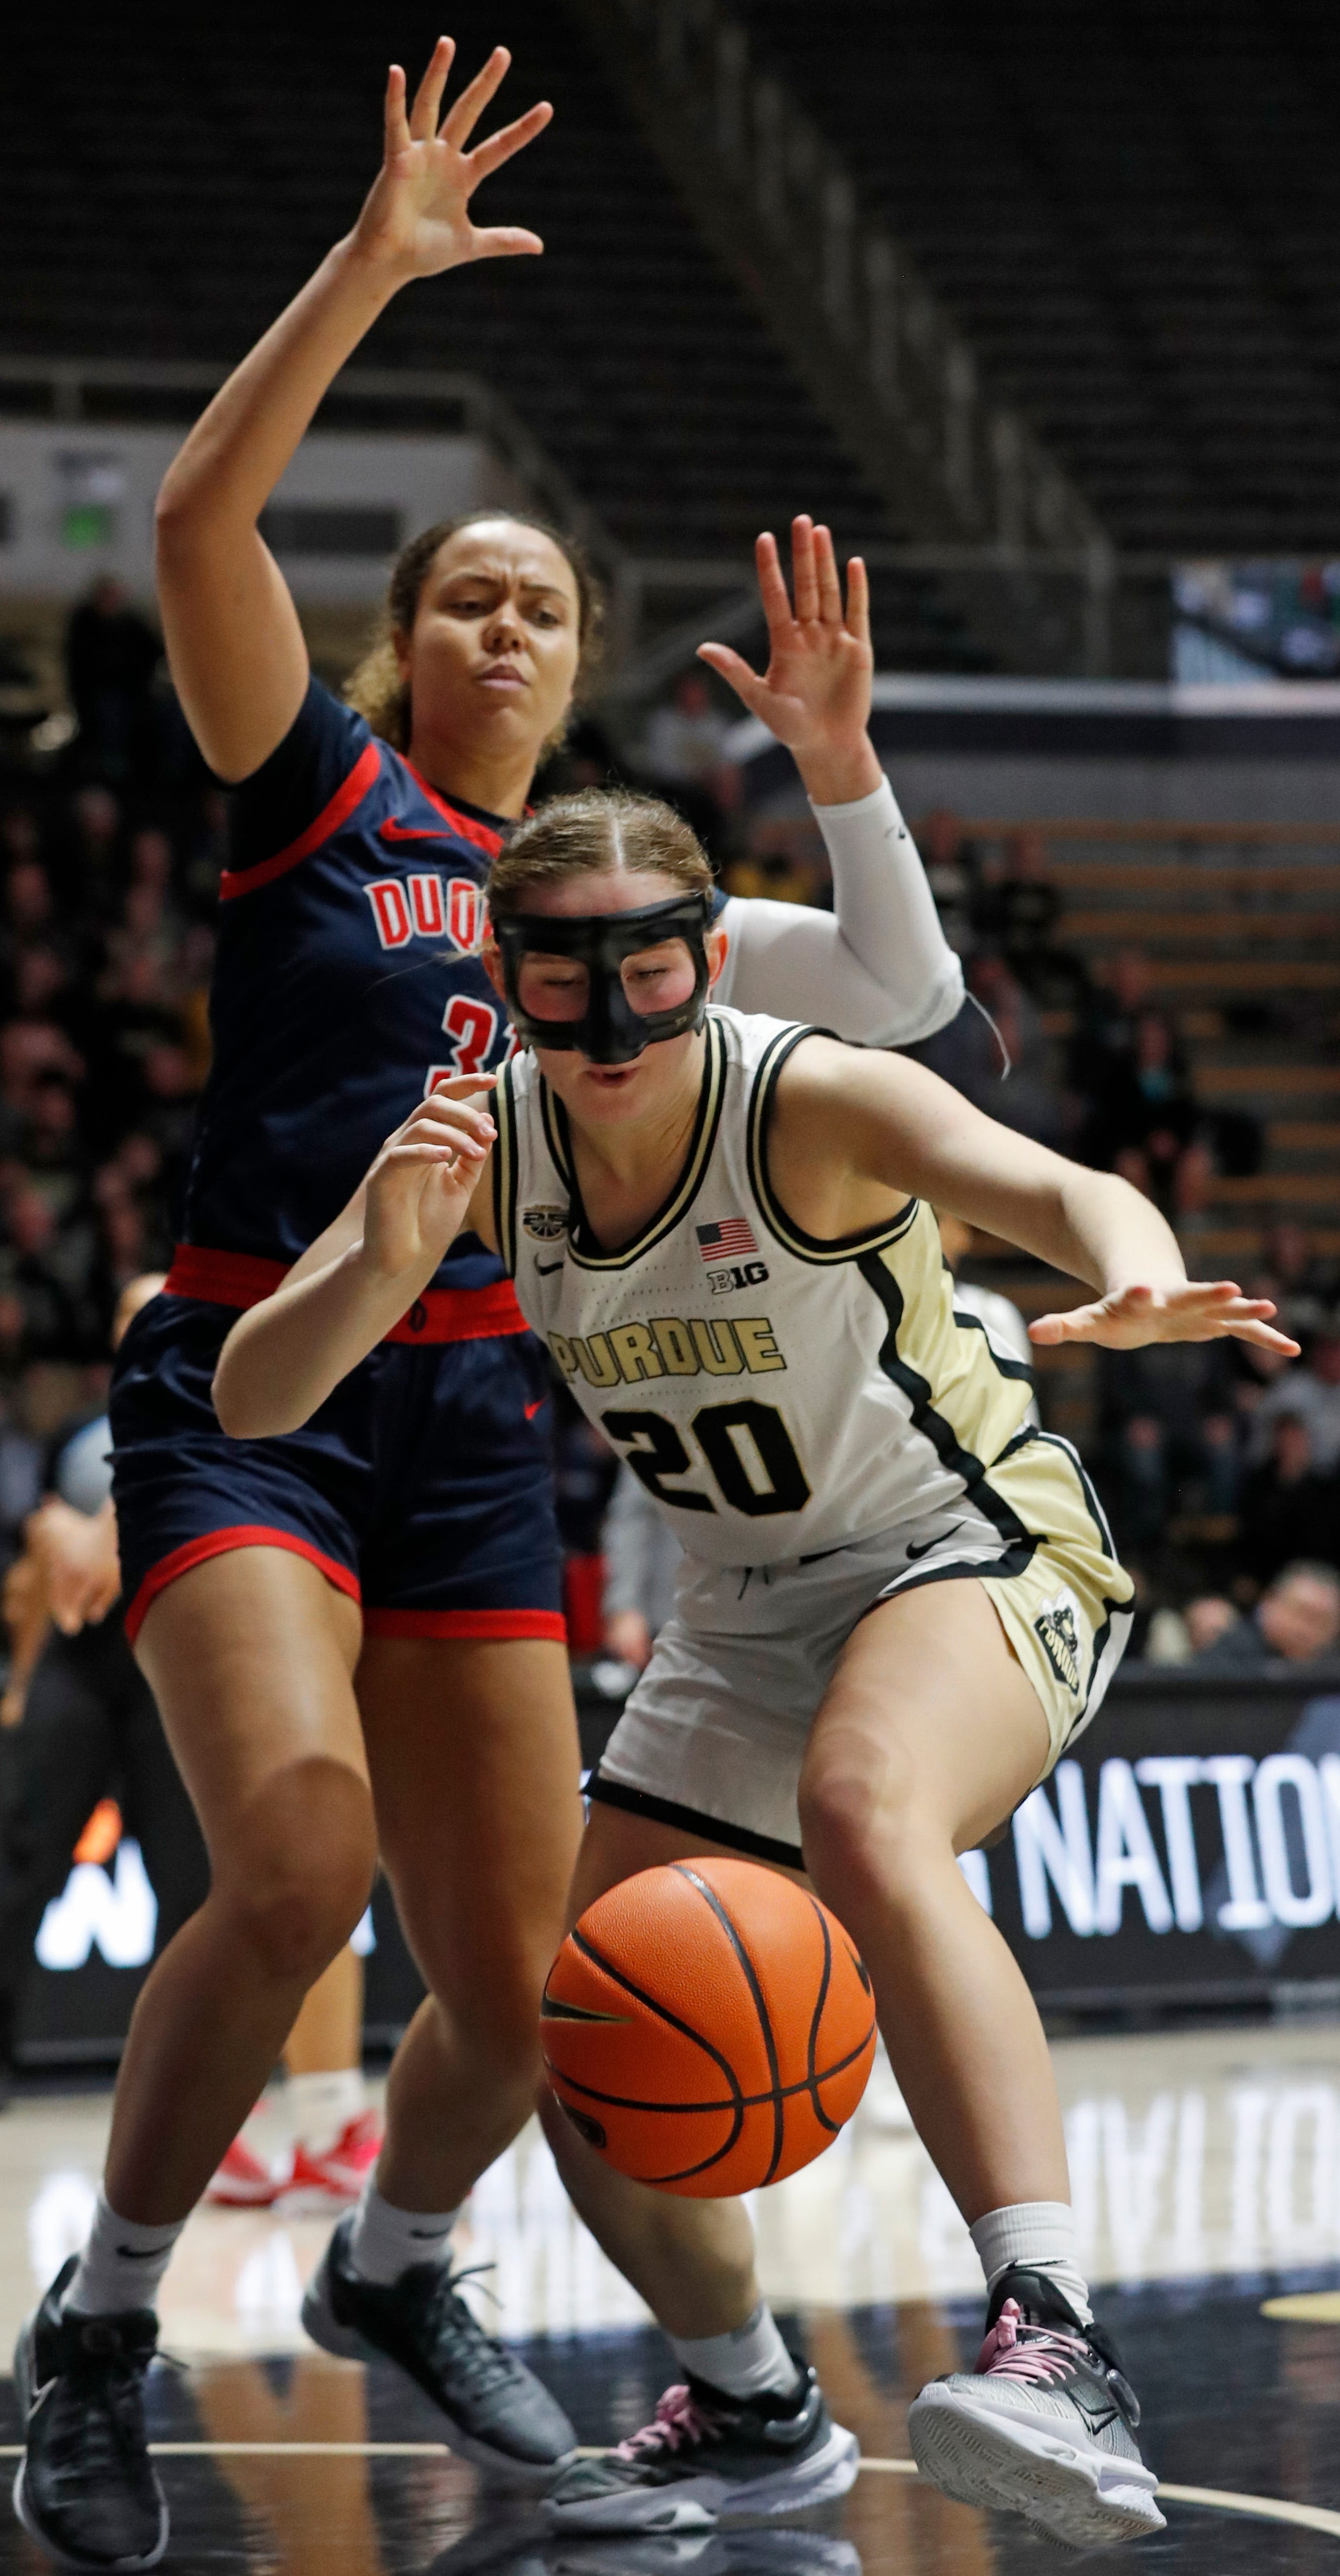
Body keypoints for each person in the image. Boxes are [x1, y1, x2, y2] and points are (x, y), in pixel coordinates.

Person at [10, 42, 968, 2575]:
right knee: (297, 1855)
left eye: (544, 597)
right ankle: (98, 2325)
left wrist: (850, 775)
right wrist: (374, 262)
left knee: (531, 1980)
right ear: (410, 636)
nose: (505, 620)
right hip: (253, 1390)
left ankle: (398, 2270)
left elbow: (895, 994)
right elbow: (204, 508)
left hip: (475, 1441)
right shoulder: (312, 788)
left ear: (576, 661)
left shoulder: (617, 910)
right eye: (466, 590)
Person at [213, 784, 1295, 2552]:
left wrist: (1136, 1275)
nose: (615, 1016)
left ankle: (1054, 2340)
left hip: (971, 1544)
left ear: (703, 959)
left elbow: (1050, 1180)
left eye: (649, 966)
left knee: (864, 1807)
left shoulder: (800, 1090)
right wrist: (379, 1269)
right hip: (743, 1609)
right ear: (511, 980)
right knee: (591, 2032)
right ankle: (748, 2404)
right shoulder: (474, 1141)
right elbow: (253, 1393)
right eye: (566, 981)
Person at [0, 1277, 209, 2099]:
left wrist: (92, 1534)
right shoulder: (75, 1435)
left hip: (177, 1663)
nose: (141, 1325)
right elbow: (37, 1572)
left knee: (188, 1879)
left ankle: (185, 2074)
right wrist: (21, 1677)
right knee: (22, 1849)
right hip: (81, 1660)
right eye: (126, 1312)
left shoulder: (222, 1410)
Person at [1189, 1559, 1340, 1669]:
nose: (1307, 1630)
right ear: (1270, 1603)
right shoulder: (1228, 1656)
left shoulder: (1333, 1665)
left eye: (1322, 1622)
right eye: (1302, 1614)